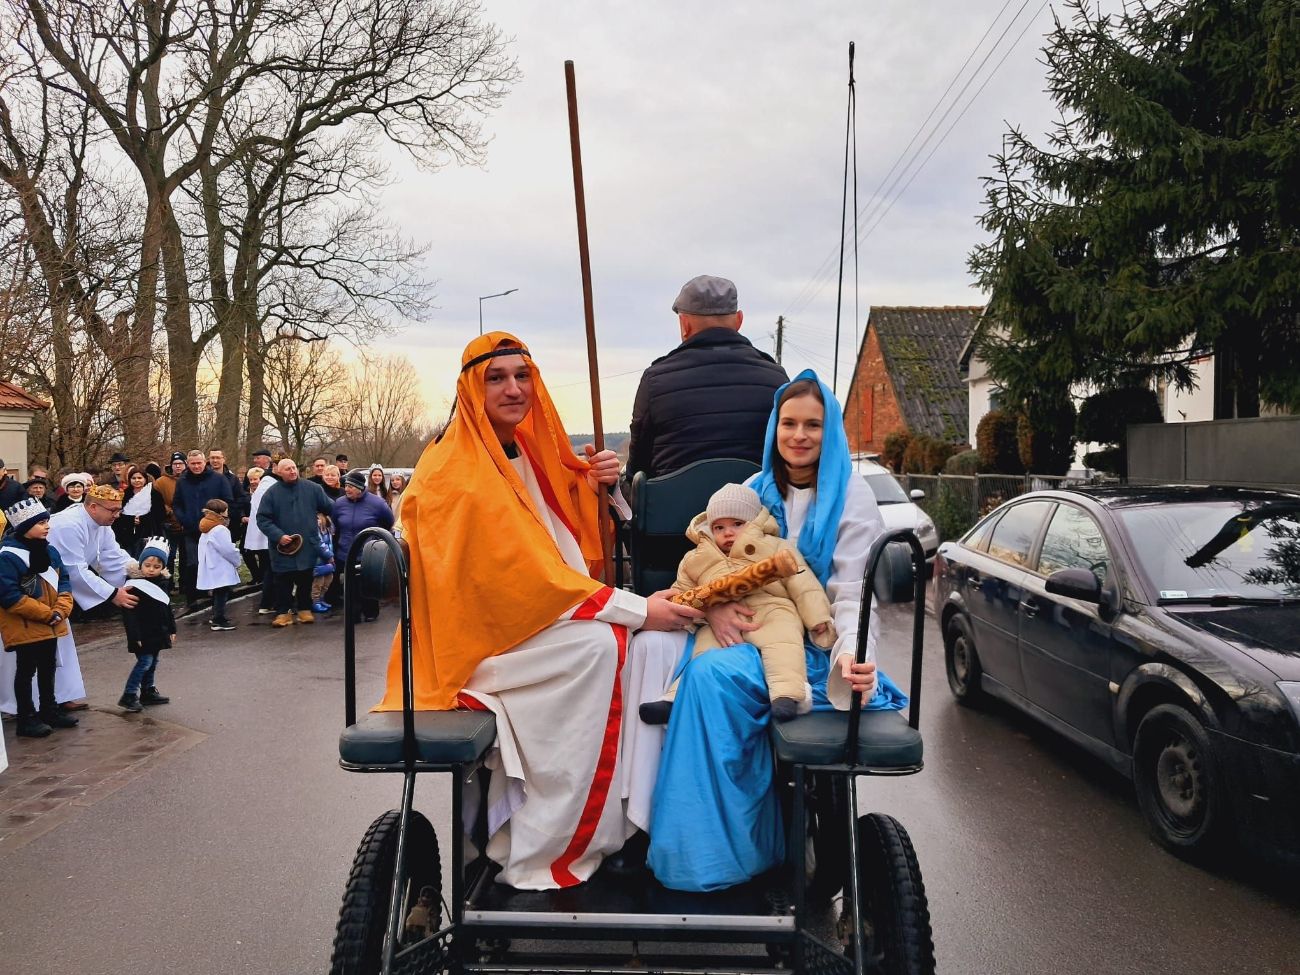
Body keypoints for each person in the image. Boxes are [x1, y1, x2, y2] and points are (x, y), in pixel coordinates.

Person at [372, 331, 700, 890]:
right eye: (497, 378)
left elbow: (567, 541)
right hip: (478, 644)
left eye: (522, 376)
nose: (513, 388)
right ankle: (543, 840)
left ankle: (621, 821)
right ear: (472, 388)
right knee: (603, 646)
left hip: (527, 622)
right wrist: (638, 610)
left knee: (632, 646)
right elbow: (523, 580)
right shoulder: (453, 471)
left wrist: (600, 486)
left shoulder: (524, 452)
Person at [622, 371, 906, 892]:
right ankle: (660, 831)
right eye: (790, 423)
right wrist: (712, 612)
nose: (800, 436)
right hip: (744, 627)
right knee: (664, 654)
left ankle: (732, 849)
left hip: (811, 641)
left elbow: (850, 591)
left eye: (814, 425)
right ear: (775, 427)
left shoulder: (851, 496)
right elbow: (709, 569)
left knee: (709, 677)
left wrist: (852, 651)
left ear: (832, 432)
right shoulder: (753, 491)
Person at [640, 482, 834, 726]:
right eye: (719, 527)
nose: (728, 533)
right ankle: (675, 698)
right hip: (718, 617)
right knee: (703, 654)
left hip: (772, 607)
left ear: (754, 522)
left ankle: (787, 694)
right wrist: (683, 613)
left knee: (783, 643)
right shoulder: (696, 558)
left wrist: (817, 619)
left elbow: (804, 585)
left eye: (737, 524)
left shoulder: (775, 547)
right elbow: (684, 593)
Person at [625, 275, 788, 483]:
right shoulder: (776, 379)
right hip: (757, 512)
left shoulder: (656, 380)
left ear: (685, 325)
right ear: (739, 320)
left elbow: (637, 470)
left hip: (673, 513)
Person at [0, 484, 138, 718]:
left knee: (52, 658)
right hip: (27, 611)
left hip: (55, 604)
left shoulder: (102, 525)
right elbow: (75, 569)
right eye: (113, 510)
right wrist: (113, 594)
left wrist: (138, 570)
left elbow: (111, 555)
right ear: (93, 507)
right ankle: (23, 708)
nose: (118, 515)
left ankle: (56, 701)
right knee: (25, 665)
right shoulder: (67, 524)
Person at [0, 497, 75, 737]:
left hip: (51, 620)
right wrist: (46, 614)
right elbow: (8, 594)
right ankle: (26, 717)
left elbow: (63, 580)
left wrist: (62, 608)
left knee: (47, 667)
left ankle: (49, 709)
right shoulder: (7, 556)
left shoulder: (49, 550)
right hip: (26, 623)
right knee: (25, 671)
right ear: (24, 526)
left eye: (47, 521)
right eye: (41, 522)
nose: (47, 526)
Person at [256, 458, 333, 627]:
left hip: (307, 545)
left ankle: (305, 610)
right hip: (282, 547)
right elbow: (262, 519)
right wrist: (278, 536)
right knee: (282, 581)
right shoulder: (272, 493)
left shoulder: (313, 489)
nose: (292, 471)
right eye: (287, 469)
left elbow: (330, 507)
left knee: (305, 578)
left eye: (293, 468)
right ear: (279, 472)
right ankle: (283, 613)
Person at [118, 537, 176, 712]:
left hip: (158, 630)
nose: (151, 570)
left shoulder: (162, 583)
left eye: (156, 567)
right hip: (142, 633)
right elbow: (130, 615)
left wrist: (172, 629)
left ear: (163, 568)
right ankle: (129, 694)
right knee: (144, 662)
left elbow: (167, 608)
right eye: (148, 565)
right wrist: (135, 636)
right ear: (141, 564)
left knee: (153, 662)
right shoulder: (134, 586)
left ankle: (148, 691)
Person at [172, 449, 234, 610]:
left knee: (218, 563)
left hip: (215, 529)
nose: (196, 466)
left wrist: (220, 520)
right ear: (188, 464)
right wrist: (183, 518)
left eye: (199, 463)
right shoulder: (182, 481)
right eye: (193, 463)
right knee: (193, 563)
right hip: (191, 529)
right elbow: (177, 503)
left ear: (204, 462)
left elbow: (228, 500)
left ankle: (221, 595)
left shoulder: (218, 479)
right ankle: (192, 597)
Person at [332, 468, 394, 621]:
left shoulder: (377, 503)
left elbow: (388, 521)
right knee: (350, 583)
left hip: (368, 551)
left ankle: (370, 611)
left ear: (360, 488)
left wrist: (375, 538)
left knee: (367, 582)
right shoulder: (339, 504)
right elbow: (336, 523)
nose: (346, 489)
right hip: (346, 550)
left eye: (351, 487)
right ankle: (353, 613)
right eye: (346, 486)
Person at [197, 499, 241, 631]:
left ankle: (217, 615)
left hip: (211, 564)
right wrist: (237, 559)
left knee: (218, 592)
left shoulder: (207, 527)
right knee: (222, 592)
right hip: (220, 565)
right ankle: (218, 619)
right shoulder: (220, 529)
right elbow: (227, 549)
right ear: (221, 512)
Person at [243, 463, 278, 615]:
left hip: (262, 535)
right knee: (272, 570)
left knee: (269, 570)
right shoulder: (270, 487)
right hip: (269, 535)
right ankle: (269, 602)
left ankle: (268, 602)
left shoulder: (264, 486)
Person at [114, 465, 167, 555]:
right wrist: (130, 520)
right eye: (134, 478)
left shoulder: (154, 494)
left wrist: (143, 519)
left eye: (139, 478)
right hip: (127, 535)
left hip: (148, 533)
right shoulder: (124, 494)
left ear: (145, 479)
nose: (137, 480)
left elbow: (160, 515)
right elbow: (118, 515)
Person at [155, 452, 187, 577]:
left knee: (187, 556)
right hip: (168, 525)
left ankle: (185, 584)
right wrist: (169, 511)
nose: (178, 466)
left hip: (187, 525)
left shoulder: (191, 479)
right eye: (175, 464)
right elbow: (156, 500)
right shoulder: (161, 482)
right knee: (170, 555)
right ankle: (168, 583)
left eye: (180, 463)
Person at [208, 449, 247, 547]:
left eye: (218, 458)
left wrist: (230, 510)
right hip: (208, 521)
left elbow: (242, 498)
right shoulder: (203, 478)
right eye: (212, 458)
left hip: (229, 523)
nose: (215, 460)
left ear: (223, 459)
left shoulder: (233, 479)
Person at [311, 514, 335, 614]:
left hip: (327, 557)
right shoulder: (314, 525)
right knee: (318, 582)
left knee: (328, 579)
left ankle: (321, 599)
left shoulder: (328, 525)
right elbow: (319, 543)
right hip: (318, 558)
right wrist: (329, 555)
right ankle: (315, 602)